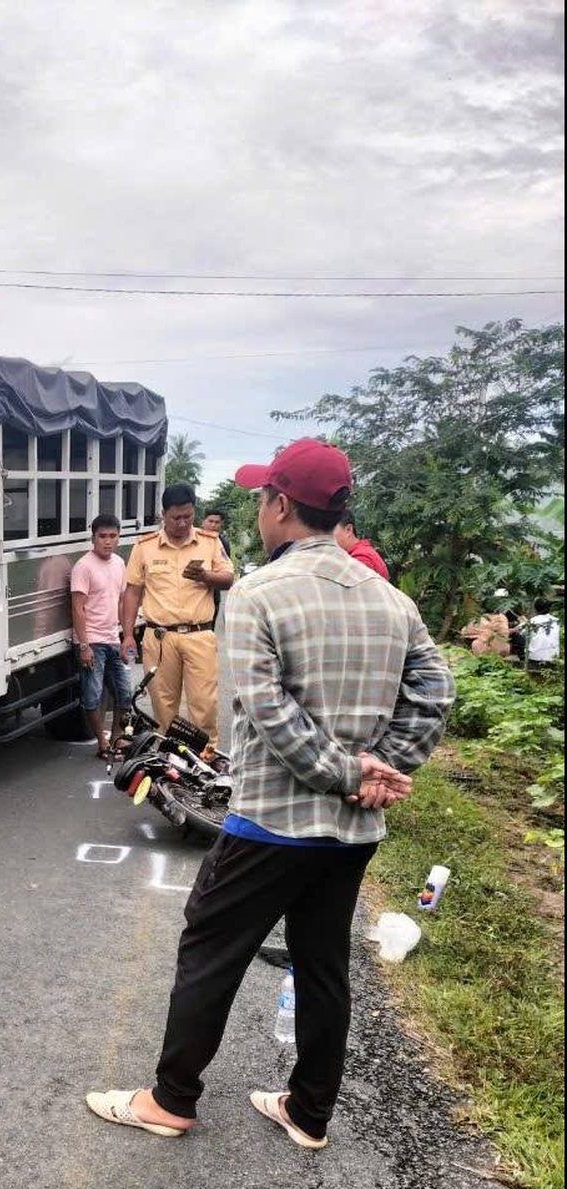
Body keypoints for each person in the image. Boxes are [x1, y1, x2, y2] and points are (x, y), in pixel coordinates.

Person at [86, 438, 455, 1151]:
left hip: (273, 823)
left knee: (210, 946)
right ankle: (309, 1111)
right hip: (352, 831)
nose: (258, 509)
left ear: (283, 506)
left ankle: (171, 1100)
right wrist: (383, 769)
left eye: (262, 498)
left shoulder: (258, 592)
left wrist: (355, 773)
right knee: (322, 961)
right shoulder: (391, 600)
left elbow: (267, 709)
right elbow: (435, 693)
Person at [120, 483, 234, 744]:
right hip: (159, 637)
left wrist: (206, 576)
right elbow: (132, 592)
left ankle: (207, 757)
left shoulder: (210, 542)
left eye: (188, 516)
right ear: (163, 514)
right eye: (176, 518)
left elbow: (228, 578)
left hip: (198, 635)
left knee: (204, 704)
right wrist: (127, 635)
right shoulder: (145, 546)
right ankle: (171, 759)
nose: (183, 523)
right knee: (163, 704)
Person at [70, 513, 132, 757]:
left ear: (118, 537)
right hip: (92, 641)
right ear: (93, 538)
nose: (107, 541)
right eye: (102, 536)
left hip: (113, 639)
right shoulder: (83, 566)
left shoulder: (119, 563)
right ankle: (102, 742)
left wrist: (127, 635)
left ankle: (116, 738)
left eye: (113, 536)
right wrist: (84, 645)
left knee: (124, 694)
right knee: (93, 696)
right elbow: (77, 607)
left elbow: (121, 600)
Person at [334, 512, 390, 580]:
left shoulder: (360, 559)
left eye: (331, 531)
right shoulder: (362, 552)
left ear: (348, 530)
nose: (326, 536)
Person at [527, 600, 561, 666]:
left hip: (535, 657)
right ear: (549, 608)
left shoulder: (532, 621)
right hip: (553, 657)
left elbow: (524, 634)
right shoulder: (556, 621)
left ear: (535, 609)